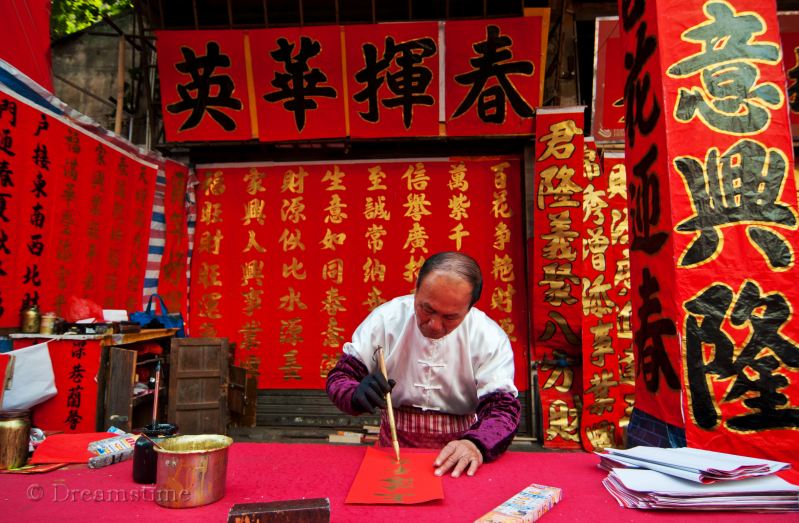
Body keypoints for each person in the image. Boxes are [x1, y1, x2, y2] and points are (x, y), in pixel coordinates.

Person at [326, 251, 520, 478]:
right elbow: (341, 376)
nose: (435, 325)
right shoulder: (386, 319)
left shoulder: (488, 337)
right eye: (427, 309)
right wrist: (354, 394)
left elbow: (503, 409)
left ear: (469, 308)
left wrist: (475, 444)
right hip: (393, 448)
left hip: (461, 453)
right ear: (416, 288)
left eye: (450, 317)